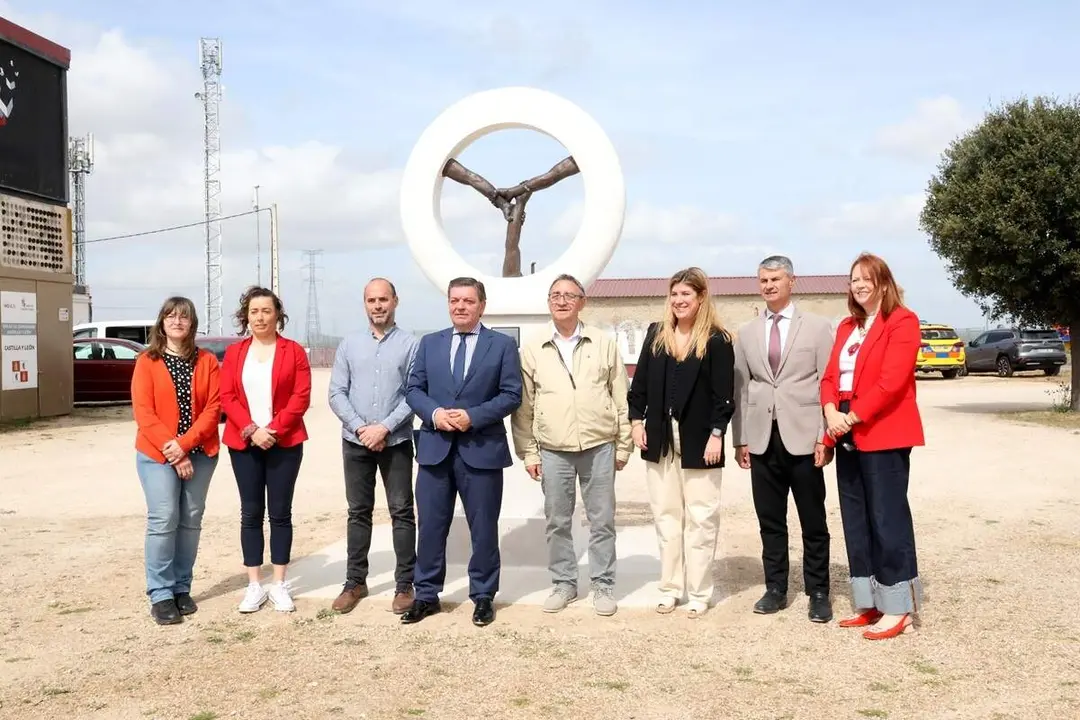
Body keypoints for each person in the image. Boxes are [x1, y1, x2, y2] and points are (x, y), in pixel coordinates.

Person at [401, 277, 522, 626]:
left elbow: (511, 394)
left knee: (483, 528)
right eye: (454, 300)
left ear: (481, 305)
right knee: (430, 526)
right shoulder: (430, 343)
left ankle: (483, 595)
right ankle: (426, 595)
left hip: (481, 449)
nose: (460, 306)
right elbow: (414, 389)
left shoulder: (501, 346)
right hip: (435, 449)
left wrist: (473, 417)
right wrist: (435, 414)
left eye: (468, 301)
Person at [510, 274, 633, 617]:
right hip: (553, 449)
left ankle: (603, 585)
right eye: (555, 295)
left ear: (582, 302)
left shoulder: (603, 342)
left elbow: (621, 396)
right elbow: (524, 407)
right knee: (558, 521)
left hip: (599, 445)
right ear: (548, 302)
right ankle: (564, 583)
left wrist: (624, 445)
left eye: (569, 295)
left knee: (602, 521)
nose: (561, 301)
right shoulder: (534, 347)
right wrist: (529, 452)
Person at [820, 252, 924, 640]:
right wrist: (831, 411)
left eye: (867, 279)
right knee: (856, 518)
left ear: (883, 283)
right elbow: (830, 377)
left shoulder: (902, 321)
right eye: (854, 280)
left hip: (882, 429)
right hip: (844, 426)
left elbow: (891, 381)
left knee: (887, 518)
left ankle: (899, 607)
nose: (859, 285)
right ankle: (870, 600)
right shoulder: (848, 326)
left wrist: (851, 417)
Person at [731, 255, 836, 623]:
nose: (769, 285)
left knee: (813, 520)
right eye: (763, 280)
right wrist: (740, 439)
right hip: (762, 439)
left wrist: (825, 436)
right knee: (770, 520)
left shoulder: (818, 328)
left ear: (792, 281)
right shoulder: (746, 332)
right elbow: (741, 388)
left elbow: (827, 383)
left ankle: (818, 591)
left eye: (775, 279)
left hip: (805, 438)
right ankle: (775, 588)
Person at [627, 267, 736, 618]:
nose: (679, 300)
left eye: (686, 294)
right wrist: (636, 422)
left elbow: (724, 395)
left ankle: (700, 592)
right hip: (660, 441)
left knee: (701, 518)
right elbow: (639, 385)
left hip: (701, 442)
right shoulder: (656, 335)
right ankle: (670, 588)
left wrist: (717, 434)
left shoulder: (717, 340)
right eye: (674, 294)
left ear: (701, 297)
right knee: (666, 517)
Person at [327, 278, 420, 615]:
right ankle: (355, 582)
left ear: (395, 301)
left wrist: (384, 428)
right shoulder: (349, 345)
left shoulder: (411, 345)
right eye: (371, 300)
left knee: (402, 511)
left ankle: (405, 584)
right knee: (358, 512)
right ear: (365, 304)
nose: (378, 306)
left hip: (396, 441)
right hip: (356, 442)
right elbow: (337, 392)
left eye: (383, 299)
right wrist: (361, 428)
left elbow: (415, 393)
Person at [220, 286, 312, 614]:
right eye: (254, 311)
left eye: (266, 311)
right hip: (244, 444)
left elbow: (301, 396)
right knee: (250, 513)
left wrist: (272, 430)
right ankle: (254, 585)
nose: (260, 317)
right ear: (246, 316)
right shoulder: (235, 353)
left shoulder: (293, 351)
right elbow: (227, 396)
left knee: (280, 513)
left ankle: (279, 583)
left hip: (284, 442)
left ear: (277, 315)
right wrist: (252, 430)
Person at [131, 296, 221, 625]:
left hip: (200, 452)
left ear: (192, 323)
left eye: (183, 317)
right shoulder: (147, 361)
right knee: (164, 517)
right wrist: (174, 450)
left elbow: (213, 409)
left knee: (191, 519)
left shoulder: (207, 361)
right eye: (170, 316)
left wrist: (184, 446)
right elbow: (144, 412)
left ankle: (182, 587)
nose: (177, 321)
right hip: (157, 453)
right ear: (162, 322)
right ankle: (160, 593)